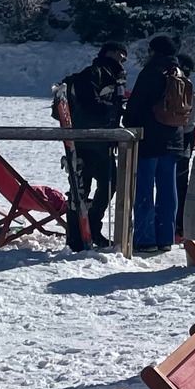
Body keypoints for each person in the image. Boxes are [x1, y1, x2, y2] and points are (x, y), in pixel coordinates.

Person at [124, 34, 189, 253]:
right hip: (174, 138)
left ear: (155, 51)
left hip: (149, 138)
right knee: (168, 189)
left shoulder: (151, 72)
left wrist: (128, 120)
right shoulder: (179, 73)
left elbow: (136, 103)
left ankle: (145, 238)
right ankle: (165, 237)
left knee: (144, 188)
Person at [63, 42, 127, 246]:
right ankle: (76, 236)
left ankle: (91, 227)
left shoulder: (112, 77)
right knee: (80, 189)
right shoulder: (92, 74)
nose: (123, 60)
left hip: (103, 143)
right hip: (86, 143)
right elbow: (90, 103)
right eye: (120, 55)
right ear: (109, 53)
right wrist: (114, 107)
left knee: (109, 185)